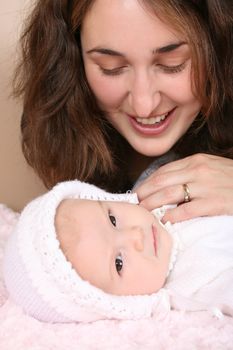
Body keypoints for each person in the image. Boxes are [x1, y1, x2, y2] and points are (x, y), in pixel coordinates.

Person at [14, 0, 233, 224]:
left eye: (172, 64)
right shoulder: (68, 144)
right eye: (111, 68)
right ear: (74, 62)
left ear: (219, 47)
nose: (144, 105)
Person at [3, 180, 233, 323]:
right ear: (119, 303)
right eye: (119, 263)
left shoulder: (164, 192)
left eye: (113, 219)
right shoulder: (193, 287)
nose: (135, 235)